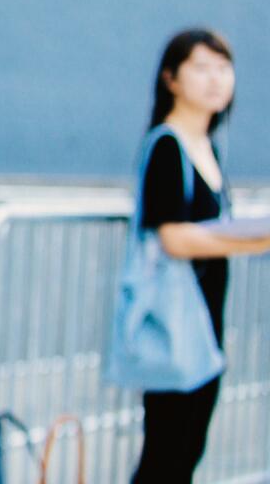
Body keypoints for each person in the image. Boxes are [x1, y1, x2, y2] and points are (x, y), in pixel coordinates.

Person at [131, 28, 270, 483]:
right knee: (166, 457)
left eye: (224, 68)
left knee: (186, 451)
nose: (216, 79)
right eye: (202, 67)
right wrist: (251, 239)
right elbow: (173, 239)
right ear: (171, 78)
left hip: (204, 325)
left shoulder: (208, 147)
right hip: (173, 326)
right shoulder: (168, 146)